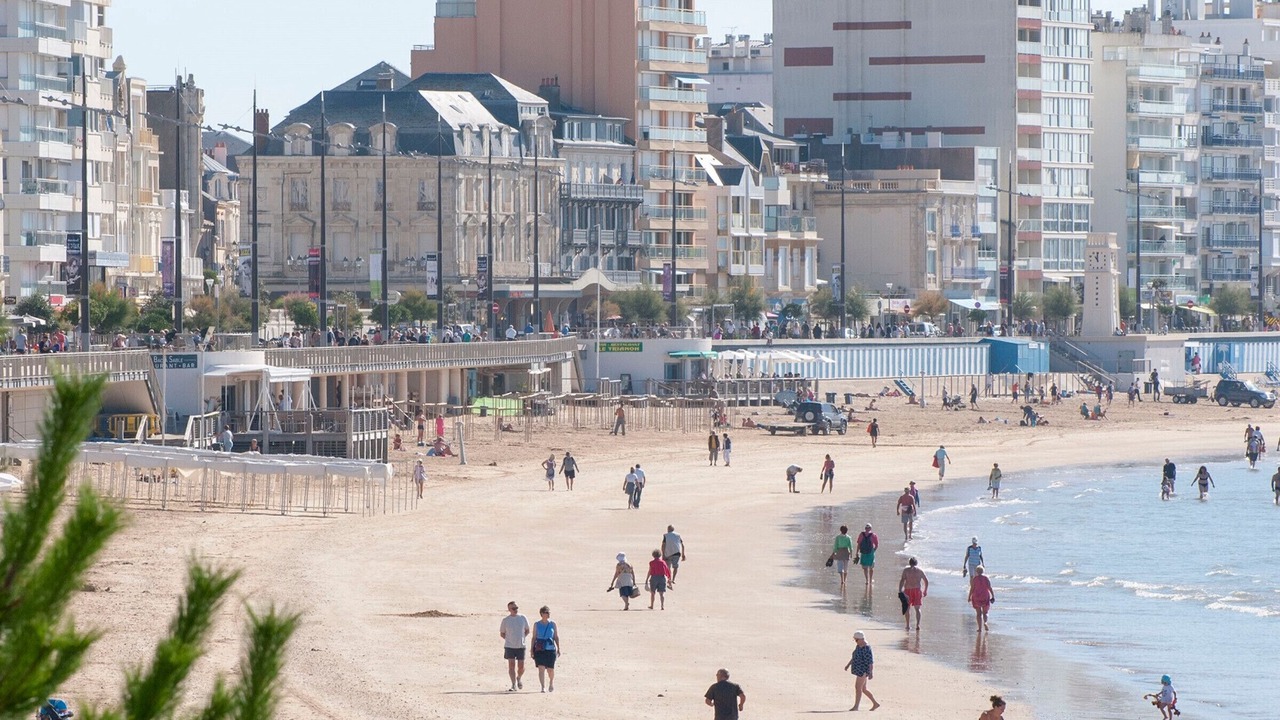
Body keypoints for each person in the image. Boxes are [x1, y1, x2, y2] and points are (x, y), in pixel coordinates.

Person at [842, 631, 879, 712]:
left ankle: (856, 706)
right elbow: (854, 657)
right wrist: (848, 665)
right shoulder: (858, 646)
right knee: (864, 689)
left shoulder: (866, 648)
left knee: (858, 688)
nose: (855, 641)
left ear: (861, 639)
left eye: (856, 640)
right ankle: (875, 703)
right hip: (858, 670)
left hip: (863, 671)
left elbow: (870, 662)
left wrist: (871, 673)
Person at [499, 601, 530, 691]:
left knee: (521, 667)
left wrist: (522, 638)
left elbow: (527, 630)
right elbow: (502, 633)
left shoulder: (523, 618)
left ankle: (519, 678)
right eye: (513, 608)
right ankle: (513, 684)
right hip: (509, 646)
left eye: (516, 608)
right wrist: (509, 639)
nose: (515, 610)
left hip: (521, 645)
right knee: (511, 666)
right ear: (509, 609)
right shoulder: (506, 620)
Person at [532, 606, 560, 692]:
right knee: (541, 668)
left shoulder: (552, 624)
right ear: (542, 614)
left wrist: (559, 648)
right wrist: (532, 649)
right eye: (546, 612)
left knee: (550, 669)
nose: (548, 614)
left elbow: (555, 636)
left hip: (550, 649)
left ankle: (551, 682)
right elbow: (534, 637)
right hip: (540, 649)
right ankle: (542, 686)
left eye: (548, 612)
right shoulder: (536, 624)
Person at [898, 557, 929, 631]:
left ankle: (908, 625)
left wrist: (900, 590)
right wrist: (925, 591)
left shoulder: (906, 570)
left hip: (908, 591)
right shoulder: (920, 571)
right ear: (916, 563)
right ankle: (918, 624)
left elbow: (902, 580)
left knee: (907, 608)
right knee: (917, 609)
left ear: (909, 563)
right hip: (917, 590)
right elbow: (926, 581)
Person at [968, 565, 995, 632]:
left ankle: (979, 628)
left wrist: (969, 597)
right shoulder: (986, 578)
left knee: (978, 614)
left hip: (976, 597)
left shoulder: (974, 579)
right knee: (985, 613)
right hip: (985, 597)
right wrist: (993, 596)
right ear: (983, 571)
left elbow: (972, 588)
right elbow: (989, 588)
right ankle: (985, 622)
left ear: (976, 572)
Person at [831, 525, 853, 593]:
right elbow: (850, 546)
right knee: (845, 567)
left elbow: (835, 546)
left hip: (840, 552)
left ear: (841, 530)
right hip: (846, 552)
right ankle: (845, 579)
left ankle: (842, 580)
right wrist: (851, 553)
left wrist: (834, 553)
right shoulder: (848, 537)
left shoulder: (838, 537)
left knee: (840, 566)